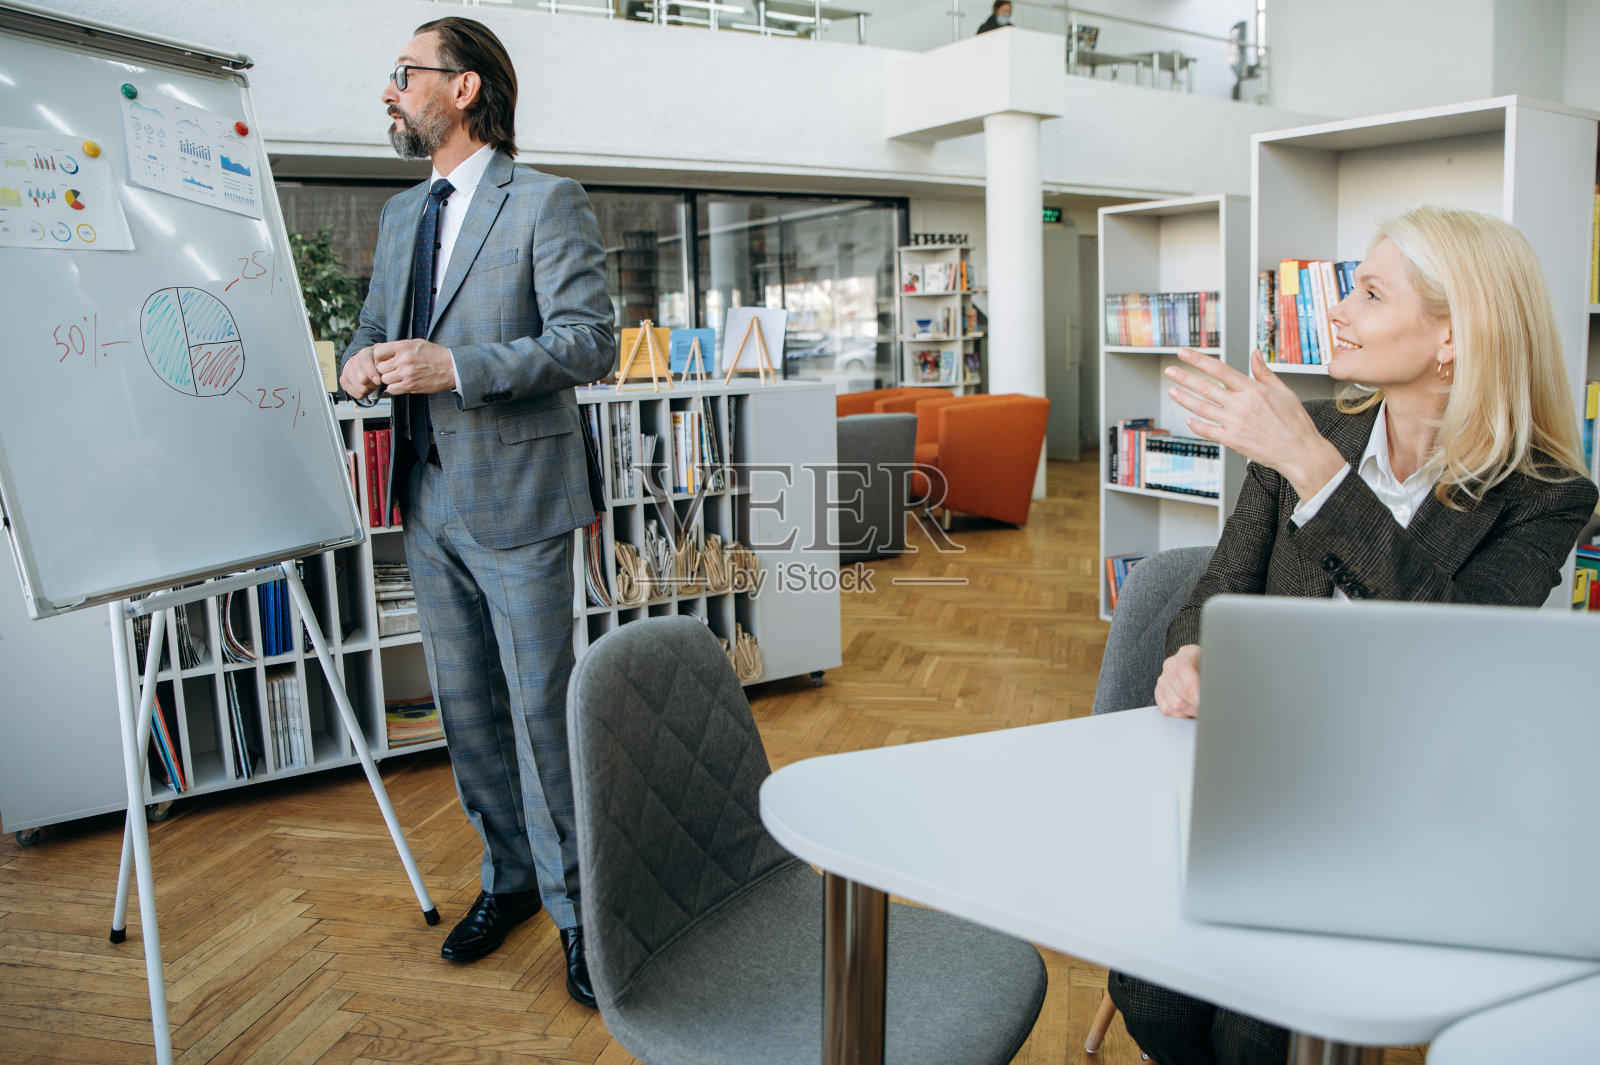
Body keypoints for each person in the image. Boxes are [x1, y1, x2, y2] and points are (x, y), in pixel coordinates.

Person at [1109, 205, 1598, 1064]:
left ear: (1452, 337)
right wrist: (1192, 650)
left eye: (1370, 292)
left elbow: (1455, 652)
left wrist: (1317, 475)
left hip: (1410, 804)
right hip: (1258, 778)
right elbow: (1221, 586)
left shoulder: (1544, 495)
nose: (1337, 309)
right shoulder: (1310, 433)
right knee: (1146, 988)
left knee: (1258, 1034)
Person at [339, 16, 615, 1006]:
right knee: (468, 716)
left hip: (521, 500)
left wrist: (458, 367)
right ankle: (511, 882)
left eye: (403, 73)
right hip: (425, 499)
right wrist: (360, 362)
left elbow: (589, 343)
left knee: (542, 715)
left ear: (462, 89)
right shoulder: (404, 219)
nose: (388, 91)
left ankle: (584, 916)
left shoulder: (546, 201)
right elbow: (372, 330)